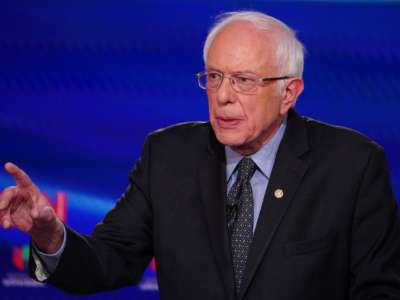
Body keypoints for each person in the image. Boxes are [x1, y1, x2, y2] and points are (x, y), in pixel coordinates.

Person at [1, 11, 400, 300]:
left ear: (289, 94)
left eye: (243, 80)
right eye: (213, 76)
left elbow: (380, 290)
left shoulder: (353, 165)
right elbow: (105, 263)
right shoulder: (168, 156)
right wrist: (49, 233)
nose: (223, 95)